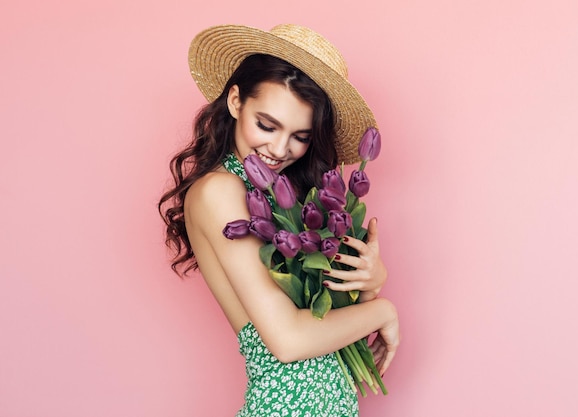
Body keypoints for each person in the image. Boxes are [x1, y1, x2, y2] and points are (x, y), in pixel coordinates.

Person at [159, 24, 400, 416]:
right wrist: (384, 311)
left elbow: (324, 324)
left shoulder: (283, 200)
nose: (278, 148)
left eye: (299, 136)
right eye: (267, 125)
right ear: (236, 101)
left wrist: (369, 283)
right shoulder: (221, 191)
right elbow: (287, 340)